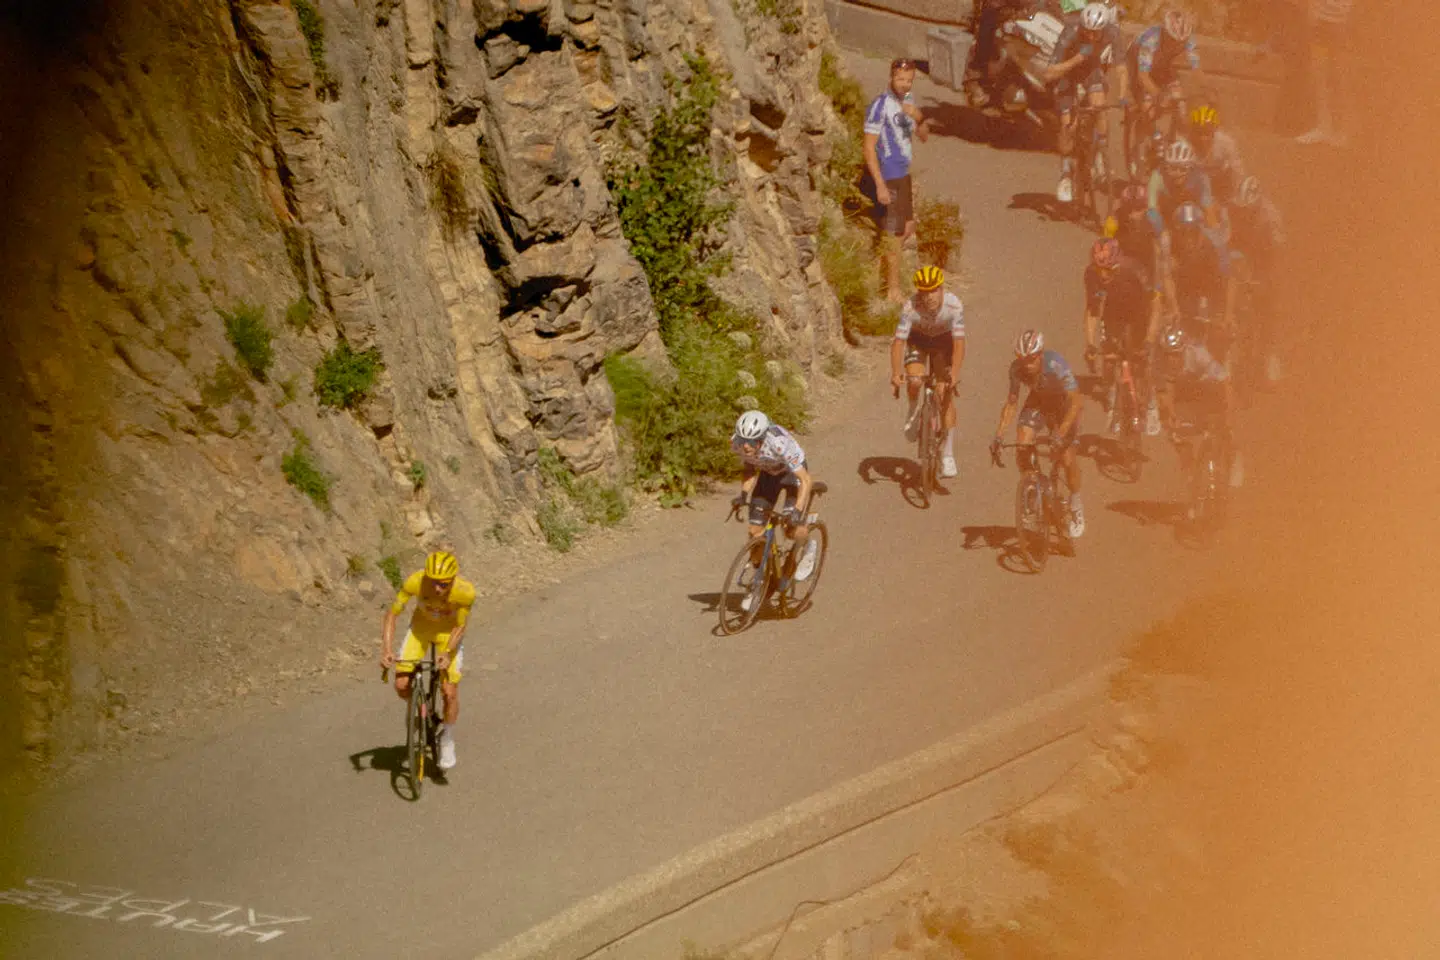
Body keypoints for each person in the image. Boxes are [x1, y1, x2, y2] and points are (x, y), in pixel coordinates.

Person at [380, 550, 476, 771]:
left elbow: (460, 626)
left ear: (453, 580)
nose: (437, 589)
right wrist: (386, 649)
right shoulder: (415, 581)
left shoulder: (465, 593)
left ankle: (447, 737)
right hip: (420, 631)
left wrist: (448, 652)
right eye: (433, 583)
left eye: (443, 584)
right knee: (401, 685)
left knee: (449, 692)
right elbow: (392, 614)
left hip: (447, 636)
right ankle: (426, 712)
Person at [990, 330, 1088, 538]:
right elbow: (1012, 403)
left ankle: (1076, 502)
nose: (1027, 365)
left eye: (1032, 359)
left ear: (1041, 354)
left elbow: (1076, 401)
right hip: (1039, 403)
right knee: (1022, 442)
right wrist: (998, 436)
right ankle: (1033, 486)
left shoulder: (1056, 364)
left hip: (1064, 407)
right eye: (1022, 359)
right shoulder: (1016, 370)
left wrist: (1060, 433)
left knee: (1068, 459)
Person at [731, 410, 819, 612]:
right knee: (754, 532)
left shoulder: (780, 444)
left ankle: (808, 545)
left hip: (792, 475)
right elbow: (750, 469)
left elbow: (806, 480)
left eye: (752, 442)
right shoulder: (736, 443)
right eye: (744, 440)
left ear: (762, 438)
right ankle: (761, 580)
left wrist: (796, 511)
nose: (746, 445)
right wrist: (744, 495)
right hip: (768, 475)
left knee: (791, 529)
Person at [864, 59, 931, 303]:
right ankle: (891, 289)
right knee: (893, 232)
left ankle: (887, 268)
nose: (904, 84)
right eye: (900, 79)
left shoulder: (909, 103)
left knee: (908, 227)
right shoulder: (880, 106)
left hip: (903, 174)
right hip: (889, 175)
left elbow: (924, 136)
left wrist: (919, 116)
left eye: (909, 80)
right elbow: (868, 148)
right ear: (891, 77)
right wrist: (880, 184)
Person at [892, 265, 967, 478]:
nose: (929, 297)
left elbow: (959, 343)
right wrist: (896, 373)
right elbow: (898, 343)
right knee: (915, 379)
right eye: (923, 292)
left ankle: (948, 455)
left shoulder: (954, 306)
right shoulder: (910, 307)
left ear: (941, 288)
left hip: (943, 344)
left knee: (945, 394)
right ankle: (914, 408)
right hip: (918, 341)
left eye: (933, 290)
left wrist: (955, 372)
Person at [1083, 237, 1162, 434]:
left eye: (1108, 269)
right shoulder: (1091, 274)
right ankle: (1113, 400)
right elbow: (1092, 311)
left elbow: (1156, 304)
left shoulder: (1135, 270)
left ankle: (1151, 405)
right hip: (1114, 314)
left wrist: (1150, 338)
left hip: (1139, 312)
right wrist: (1090, 345)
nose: (1103, 275)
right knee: (1109, 360)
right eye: (1099, 269)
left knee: (1144, 360)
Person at [1154, 323, 1243, 496]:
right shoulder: (1161, 363)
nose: (1172, 359)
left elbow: (1225, 384)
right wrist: (1170, 415)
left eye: (1176, 354)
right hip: (1184, 394)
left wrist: (1229, 413)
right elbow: (1165, 392)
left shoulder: (1198, 353)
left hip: (1209, 388)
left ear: (1184, 349)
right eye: (1168, 355)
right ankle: (1189, 468)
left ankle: (1233, 456)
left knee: (1221, 424)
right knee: (1174, 431)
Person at [1044, 2, 1120, 204]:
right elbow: (1050, 72)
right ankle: (1066, 173)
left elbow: (1121, 68)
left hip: (1090, 72)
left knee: (1100, 105)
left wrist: (1122, 95)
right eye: (1089, 32)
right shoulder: (1070, 31)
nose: (1093, 37)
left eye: (1098, 33)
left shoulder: (1112, 31)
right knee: (1067, 125)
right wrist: (1077, 59)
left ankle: (1100, 154)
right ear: (1082, 27)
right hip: (1066, 74)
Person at [1122, 8, 1199, 175]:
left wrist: (1199, 92)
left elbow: (1196, 69)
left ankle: (1178, 140)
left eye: (1181, 43)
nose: (1177, 45)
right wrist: (1159, 95)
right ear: (1164, 33)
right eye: (1173, 41)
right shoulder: (1150, 41)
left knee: (1181, 102)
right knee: (1148, 104)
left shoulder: (1186, 38)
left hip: (1162, 66)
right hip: (1137, 67)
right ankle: (1144, 143)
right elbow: (1143, 77)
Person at [1227, 175, 1288, 383]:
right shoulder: (1235, 210)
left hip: (1267, 257)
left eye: (1248, 211)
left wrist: (1266, 282)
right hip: (1245, 253)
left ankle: (1270, 353)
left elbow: (1276, 259)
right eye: (1241, 210)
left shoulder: (1271, 219)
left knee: (1270, 305)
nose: (1244, 213)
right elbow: (1228, 242)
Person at [1164, 200, 1238, 357]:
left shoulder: (1216, 246)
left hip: (1213, 291)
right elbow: (1167, 278)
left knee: (1221, 336)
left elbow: (1230, 280)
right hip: (1187, 290)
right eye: (1183, 232)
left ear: (1200, 230)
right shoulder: (1172, 246)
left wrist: (1228, 314)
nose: (1188, 238)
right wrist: (1173, 308)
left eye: (1192, 232)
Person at [1296, 0, 1352, 145]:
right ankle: (1324, 127)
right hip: (1321, 20)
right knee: (1319, 73)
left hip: (1341, 22)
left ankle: (1342, 129)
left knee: (1340, 76)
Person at [1189, 103, 1247, 211]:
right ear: (1193, 132)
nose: (1203, 138)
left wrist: (1236, 195)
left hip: (1221, 184)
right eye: (1199, 133)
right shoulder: (1187, 144)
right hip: (1197, 185)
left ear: (1214, 131)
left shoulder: (1226, 143)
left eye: (1207, 133)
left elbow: (1237, 170)